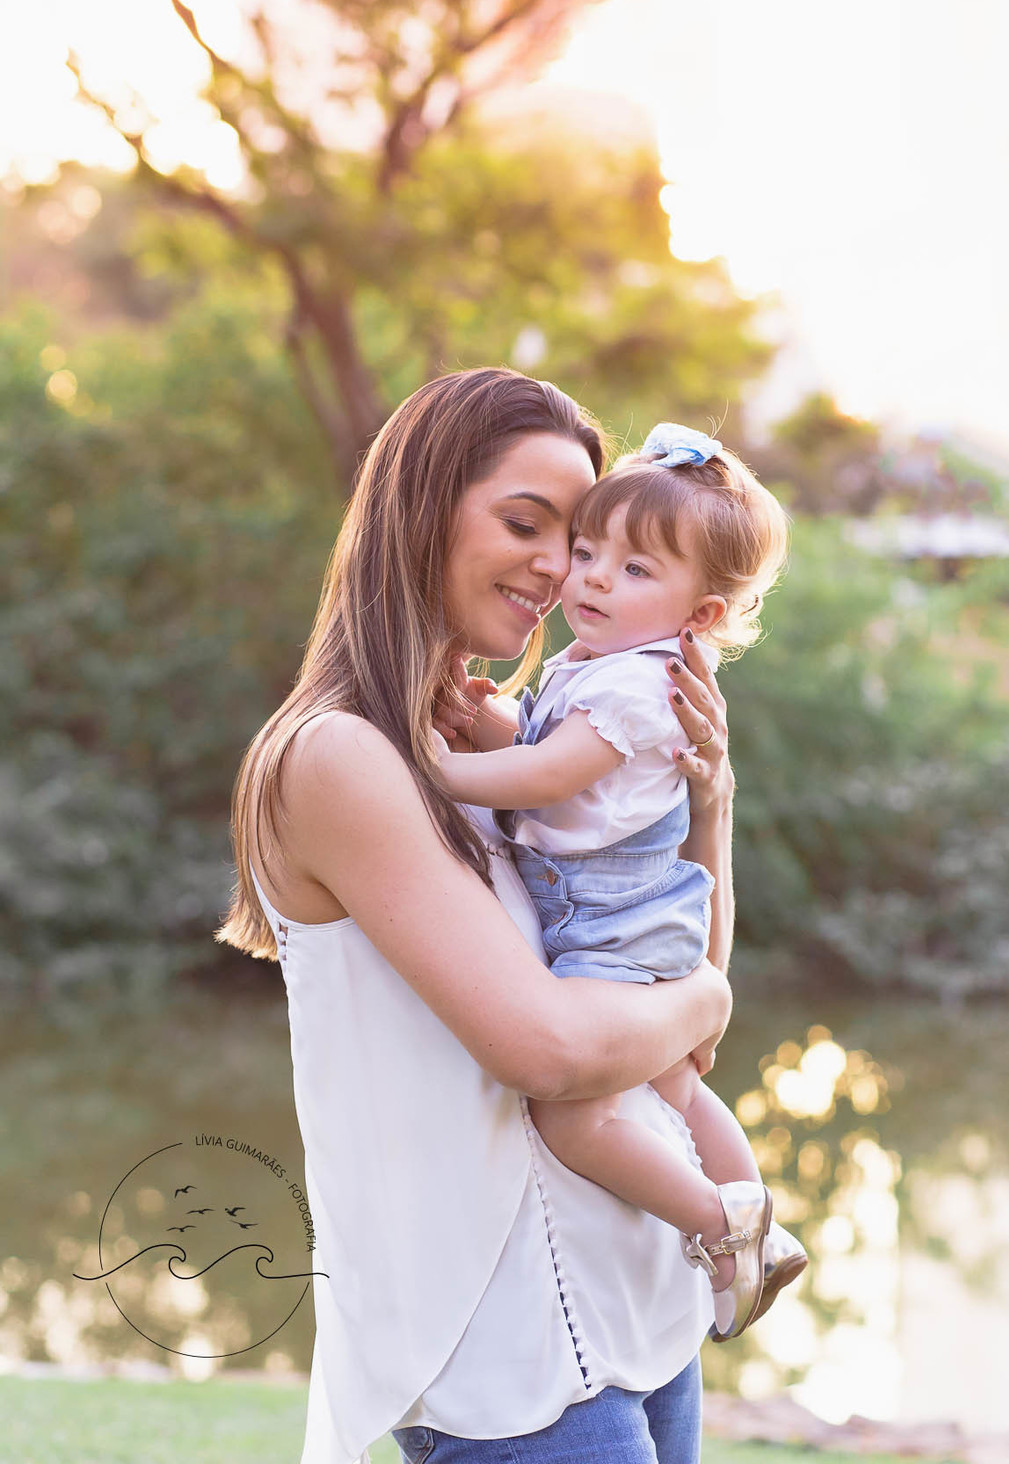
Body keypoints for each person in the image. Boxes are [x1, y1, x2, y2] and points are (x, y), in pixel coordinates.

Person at [218, 369, 767, 1464]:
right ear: (420, 509)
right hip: (505, 1364)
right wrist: (709, 993)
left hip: (640, 1312)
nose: (562, 569)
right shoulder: (339, 757)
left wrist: (709, 806)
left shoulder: (510, 754)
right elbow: (555, 1050)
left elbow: (677, 1020)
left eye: (581, 538)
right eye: (527, 524)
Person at [432, 422, 805, 1343]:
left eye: (636, 571)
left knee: (574, 1120)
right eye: (590, 551)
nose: (591, 577)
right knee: (674, 1089)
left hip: (618, 925)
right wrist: (488, 726)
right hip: (635, 918)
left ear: (702, 615)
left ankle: (723, 1224)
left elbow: (546, 776)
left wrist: (435, 766)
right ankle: (763, 1221)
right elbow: (537, 748)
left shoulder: (644, 686)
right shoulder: (599, 664)